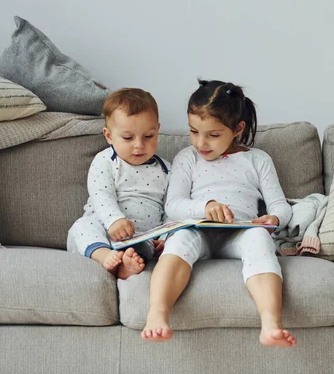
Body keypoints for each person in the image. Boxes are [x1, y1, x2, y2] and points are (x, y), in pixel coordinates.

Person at [141, 80, 297, 348]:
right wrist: (205, 206)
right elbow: (173, 204)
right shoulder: (187, 158)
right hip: (197, 231)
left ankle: (271, 323)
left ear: (237, 129)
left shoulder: (257, 160)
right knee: (178, 241)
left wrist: (274, 219)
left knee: (260, 239)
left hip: (239, 233)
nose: (201, 142)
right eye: (193, 131)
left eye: (213, 135)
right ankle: (157, 314)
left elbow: (280, 206)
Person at [67, 88, 170, 280]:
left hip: (140, 237)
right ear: (109, 136)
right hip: (102, 228)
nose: (139, 145)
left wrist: (165, 238)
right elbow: (101, 194)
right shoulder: (105, 160)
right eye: (128, 138)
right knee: (82, 226)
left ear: (157, 130)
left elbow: (170, 208)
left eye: (148, 136)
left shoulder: (166, 170)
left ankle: (125, 265)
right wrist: (114, 220)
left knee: (141, 249)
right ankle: (103, 255)